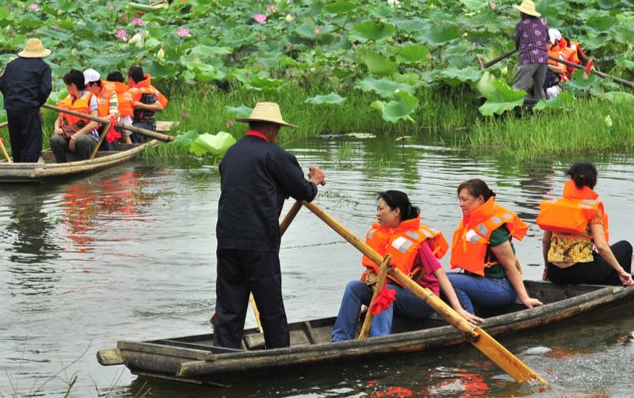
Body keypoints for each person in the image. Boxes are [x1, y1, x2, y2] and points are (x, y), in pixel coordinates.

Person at [214, 102, 326, 349]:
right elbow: (304, 191)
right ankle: (279, 359)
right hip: (258, 242)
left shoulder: (231, 153)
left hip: (227, 239)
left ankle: (223, 356)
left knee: (228, 309)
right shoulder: (275, 155)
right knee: (270, 307)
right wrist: (315, 181)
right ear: (273, 129)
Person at [331, 191, 481, 342]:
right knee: (353, 287)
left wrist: (458, 309)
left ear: (396, 211)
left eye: (381, 209)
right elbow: (372, 272)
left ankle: (378, 341)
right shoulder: (384, 234)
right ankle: (339, 339)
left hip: (421, 301)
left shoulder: (417, 240)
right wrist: (364, 305)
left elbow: (440, 273)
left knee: (387, 291)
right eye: (377, 209)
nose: (377, 214)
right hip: (395, 294)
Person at [448, 179, 543, 315]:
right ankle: (468, 313)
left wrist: (524, 298)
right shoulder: (472, 222)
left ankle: (469, 321)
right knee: (441, 279)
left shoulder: (495, 230)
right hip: (482, 281)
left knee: (451, 281)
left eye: (465, 200)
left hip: (501, 287)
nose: (461, 204)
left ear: (480, 199)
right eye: (459, 200)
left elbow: (510, 266)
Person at [538, 162, 634, 287]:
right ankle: (617, 287)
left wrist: (547, 267)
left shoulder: (556, 205)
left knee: (597, 257)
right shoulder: (591, 208)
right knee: (625, 247)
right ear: (594, 183)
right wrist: (621, 271)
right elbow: (601, 246)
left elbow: (546, 242)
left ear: (571, 180)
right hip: (582, 272)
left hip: (555, 273)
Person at [0, 38, 52, 163]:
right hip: (29, 108)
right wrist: (38, 103)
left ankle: (18, 169)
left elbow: (1, 83)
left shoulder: (12, 65)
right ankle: (28, 172)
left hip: (11, 108)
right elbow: (46, 88)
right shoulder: (43, 67)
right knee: (31, 142)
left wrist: (11, 97)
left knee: (16, 142)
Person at [50, 69, 99, 163]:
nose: (66, 88)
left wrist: (75, 136)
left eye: (67, 85)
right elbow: (59, 119)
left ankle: (84, 166)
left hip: (87, 136)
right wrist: (56, 128)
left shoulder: (91, 98)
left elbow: (94, 123)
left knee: (81, 140)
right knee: (55, 139)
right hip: (70, 134)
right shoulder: (68, 98)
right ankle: (62, 166)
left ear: (72, 85)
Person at [512, 0, 549, 102]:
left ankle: (513, 110)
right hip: (543, 58)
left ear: (524, 13)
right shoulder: (543, 22)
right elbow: (547, 39)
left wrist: (519, 47)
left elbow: (517, 42)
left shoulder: (521, 24)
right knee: (539, 88)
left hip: (528, 58)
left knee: (518, 86)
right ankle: (543, 112)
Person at [127, 66, 168, 142]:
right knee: (125, 129)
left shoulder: (147, 92)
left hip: (147, 124)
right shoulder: (130, 90)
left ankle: (138, 148)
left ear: (130, 79)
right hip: (134, 121)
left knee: (131, 130)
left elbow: (159, 107)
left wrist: (142, 105)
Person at [83, 68, 119, 151]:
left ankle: (110, 154)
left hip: (106, 124)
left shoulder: (111, 93)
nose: (83, 89)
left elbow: (114, 115)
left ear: (94, 85)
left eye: (85, 86)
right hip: (89, 125)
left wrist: (97, 121)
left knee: (106, 126)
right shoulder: (84, 94)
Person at [106, 71, 134, 144]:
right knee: (126, 136)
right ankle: (130, 147)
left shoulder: (110, 91)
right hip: (126, 117)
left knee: (117, 135)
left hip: (115, 116)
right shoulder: (126, 91)